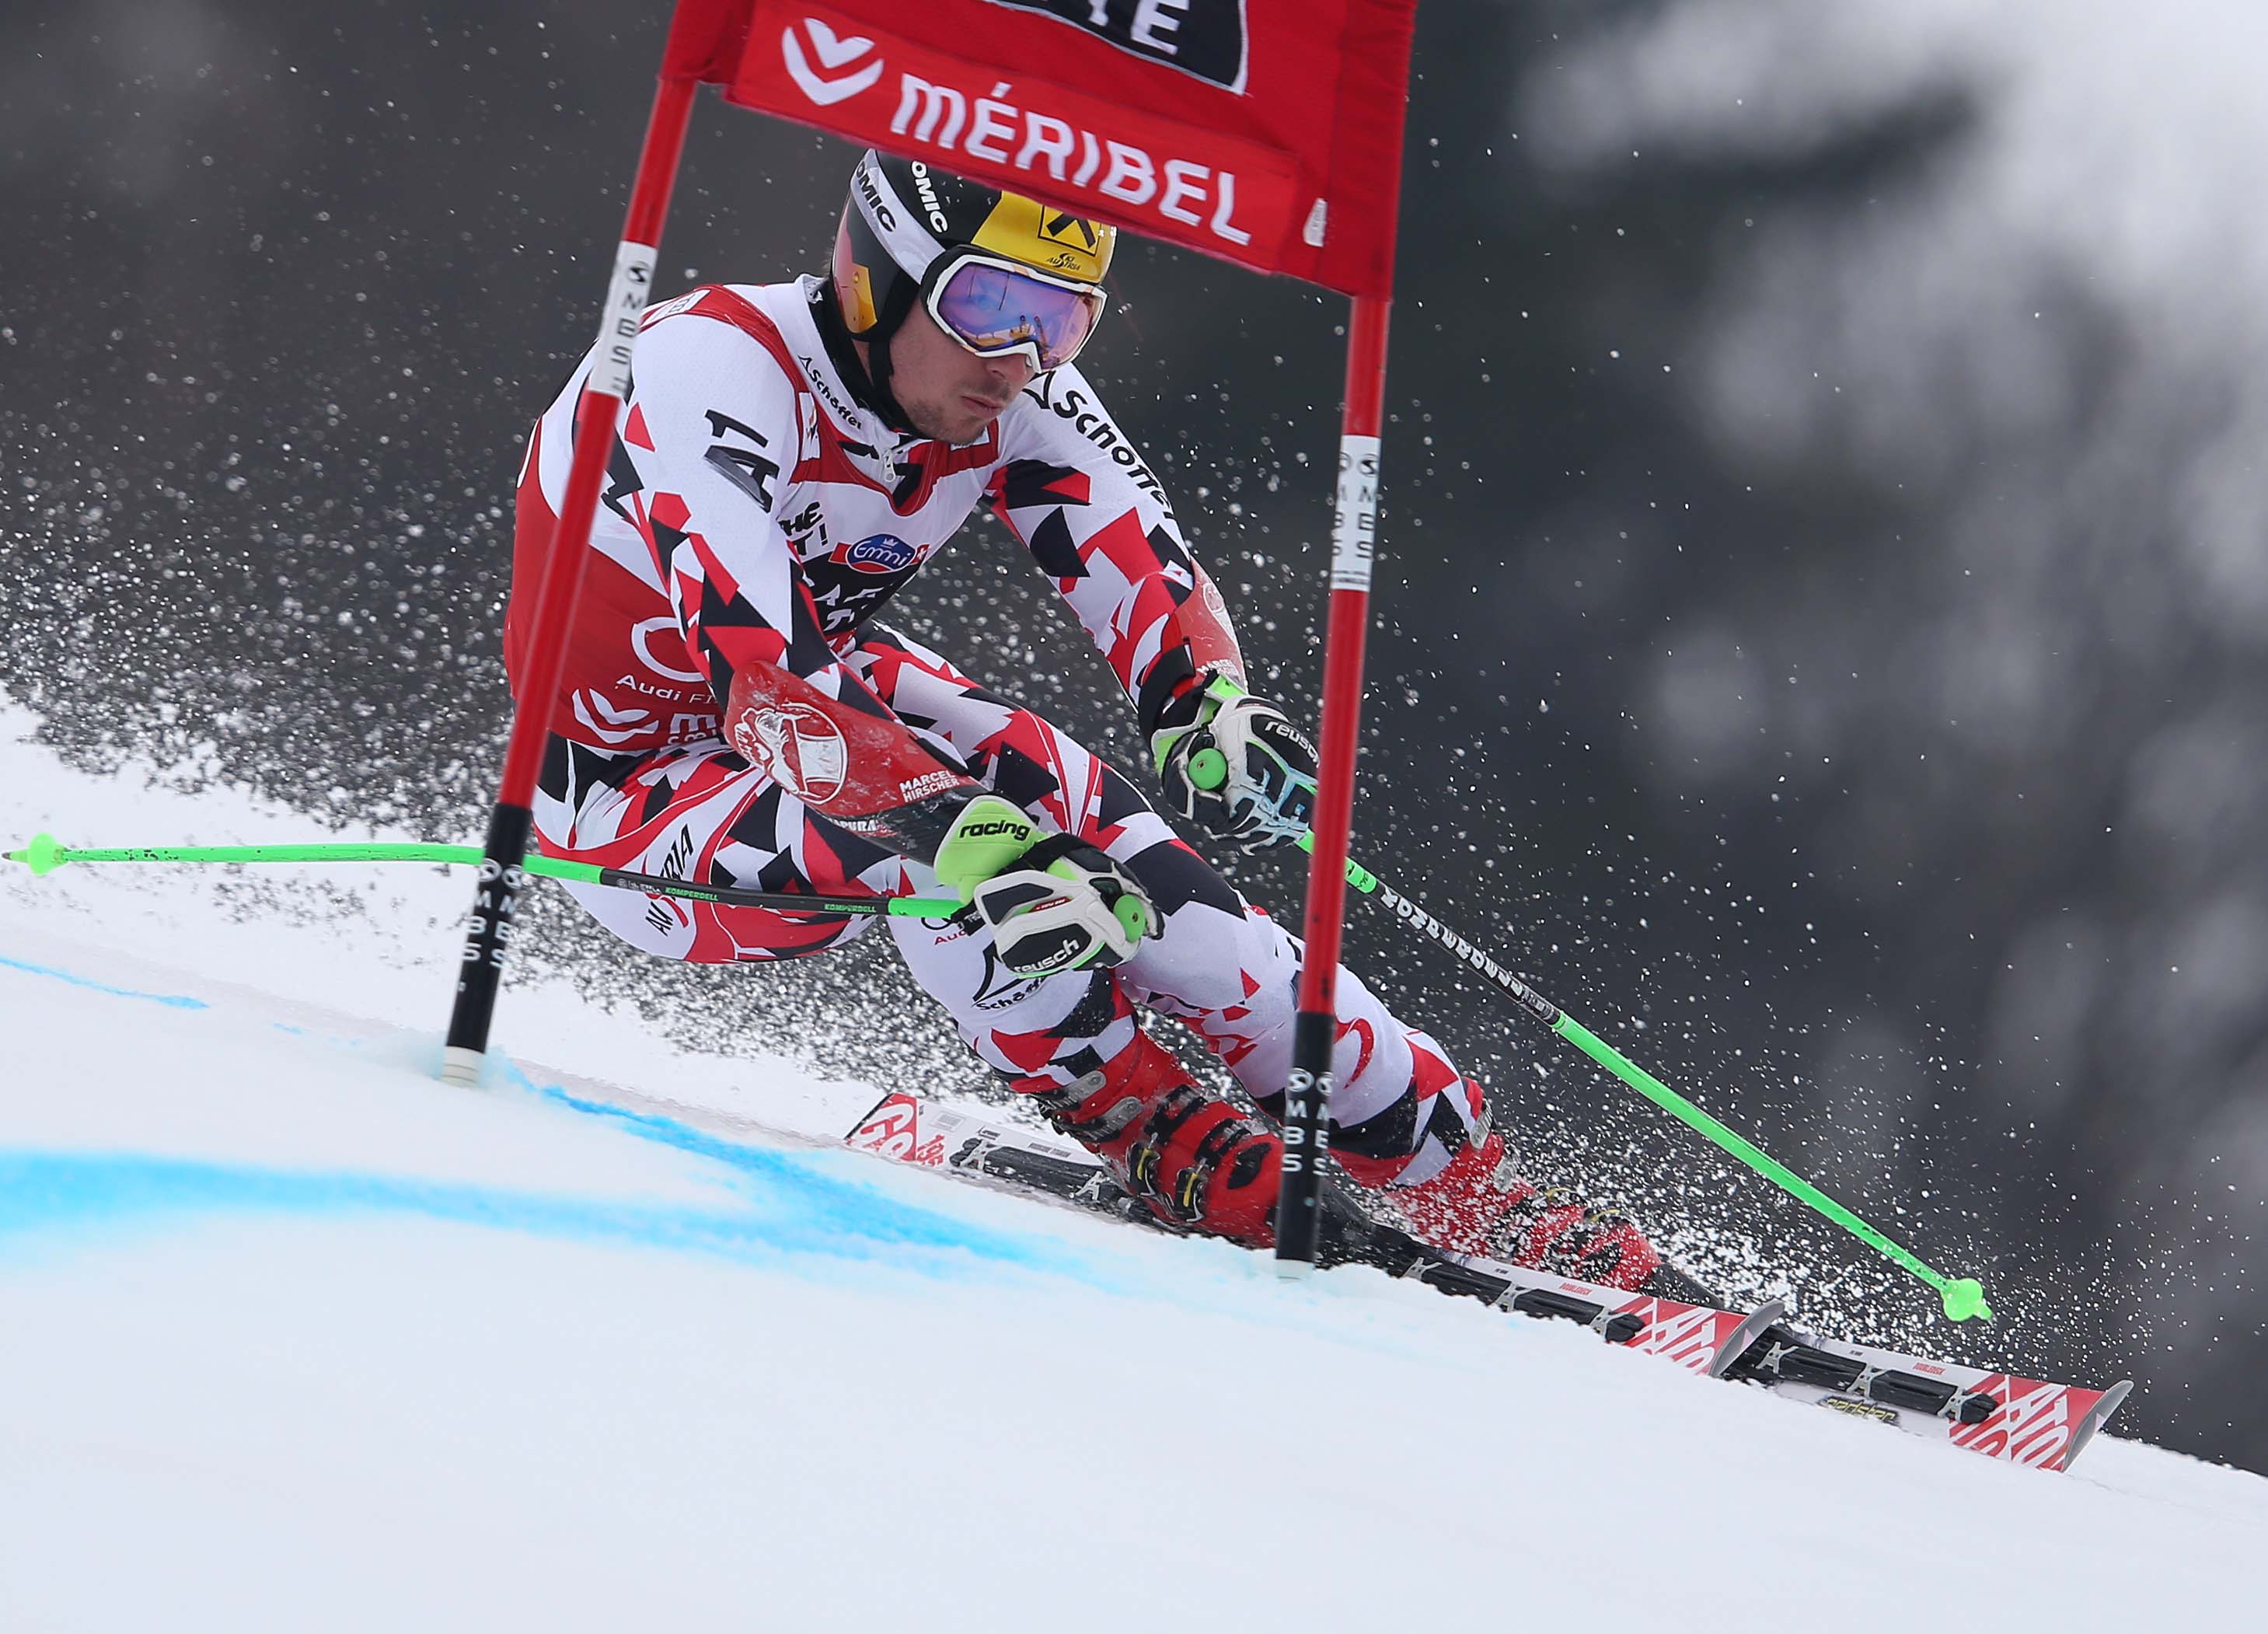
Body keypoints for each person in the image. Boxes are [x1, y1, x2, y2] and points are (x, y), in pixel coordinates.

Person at [505, 148, 1686, 1294]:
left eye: (1063, 320)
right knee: (962, 854)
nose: (1020, 359)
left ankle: (1456, 1170)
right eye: (988, 305)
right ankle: (1139, 1111)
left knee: (1110, 837)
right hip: (620, 789)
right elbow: (766, 675)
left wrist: (1204, 703)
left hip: (835, 696)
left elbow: (1134, 555)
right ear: (878, 273)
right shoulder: (704, 366)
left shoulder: (995, 389)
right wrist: (960, 826)